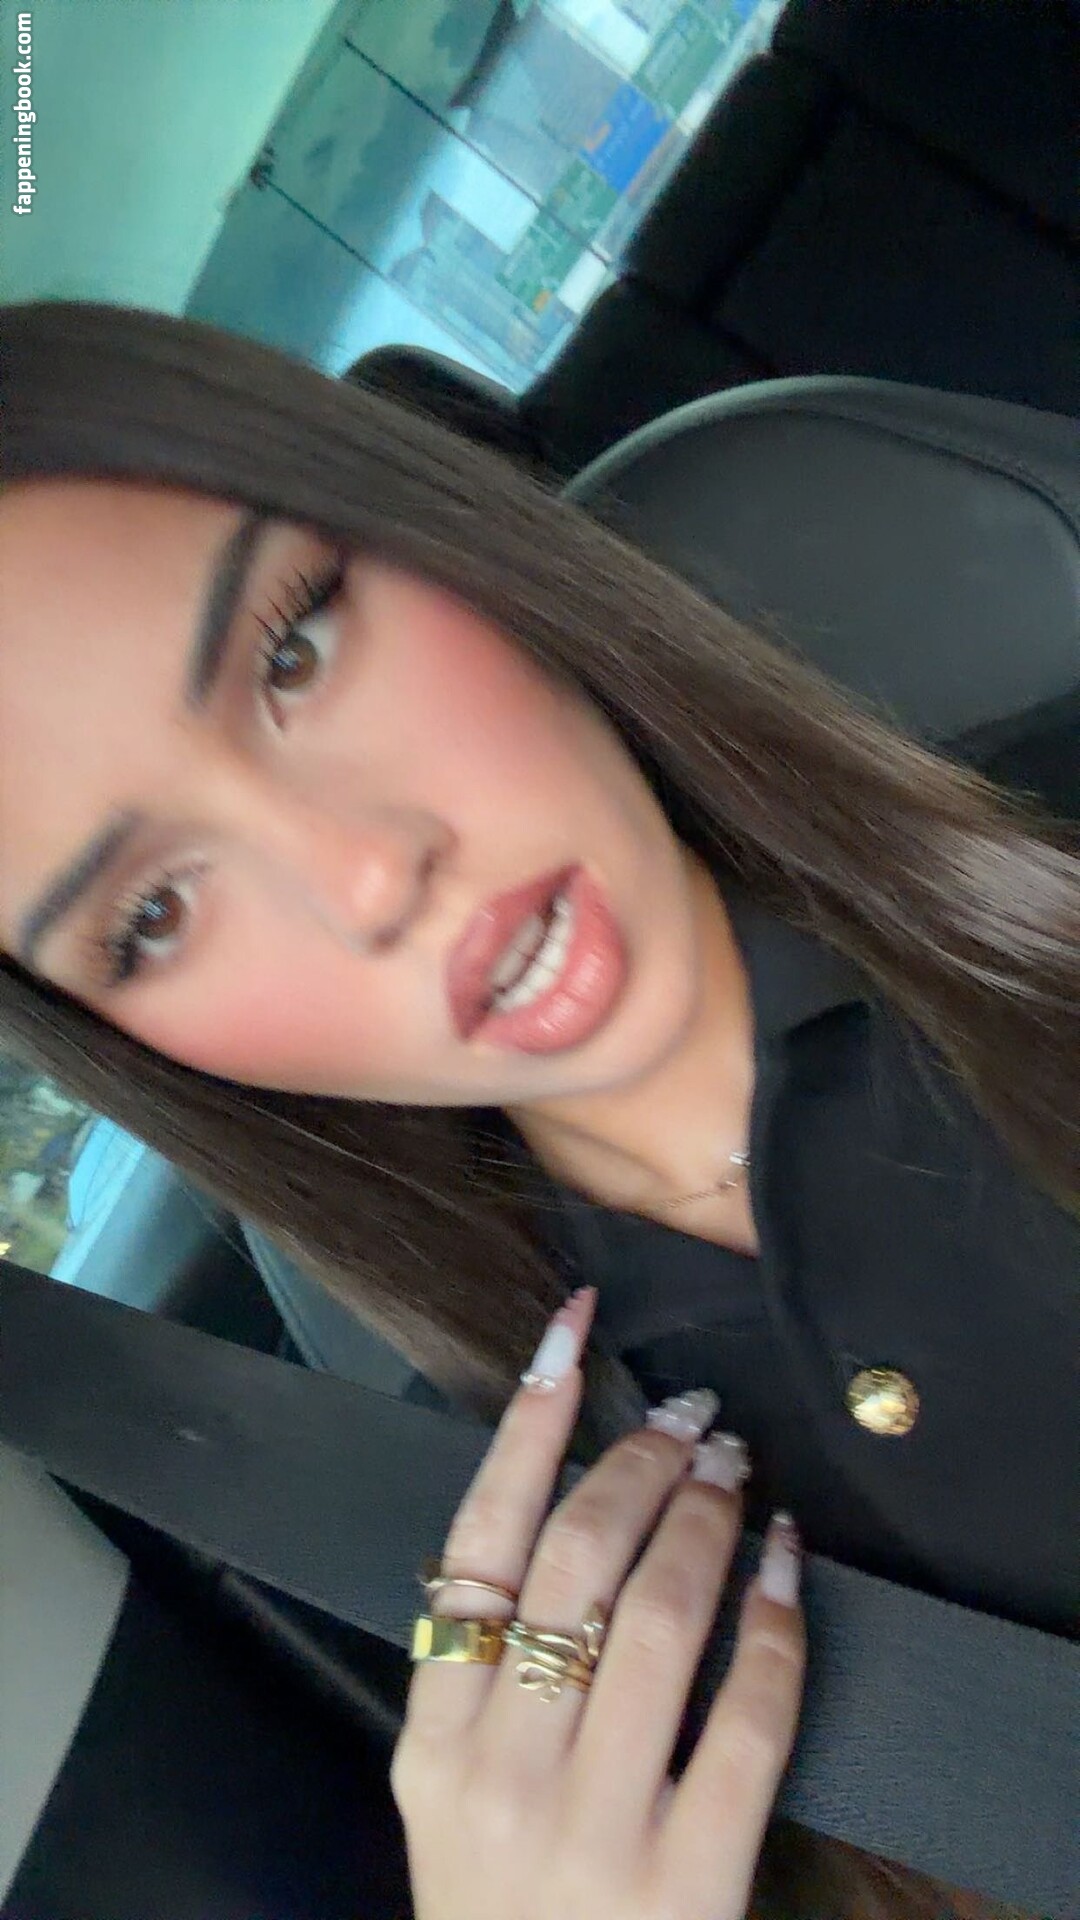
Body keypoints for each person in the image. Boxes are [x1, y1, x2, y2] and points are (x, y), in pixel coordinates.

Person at [0, 297, 1074, 1919]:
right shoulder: (509, 1569)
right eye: (153, 914)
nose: (369, 875)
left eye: (294, 652)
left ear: (438, 535)